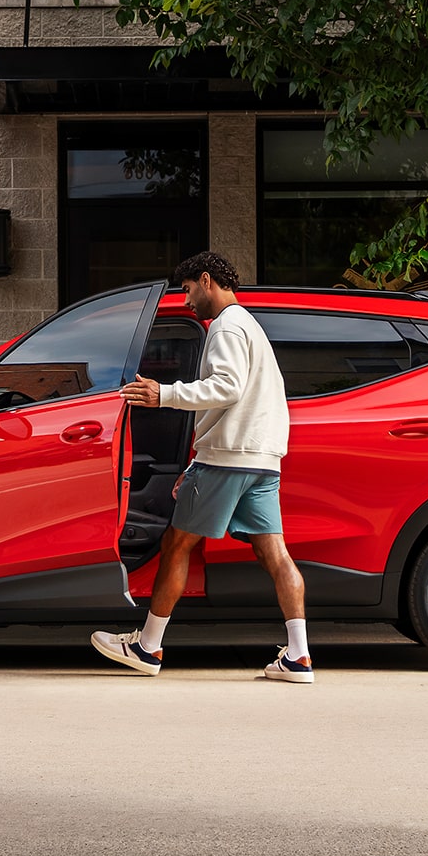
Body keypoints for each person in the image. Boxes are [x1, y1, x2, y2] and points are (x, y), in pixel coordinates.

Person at [90, 251, 312, 683]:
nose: (188, 301)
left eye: (189, 290)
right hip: (263, 460)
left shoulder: (227, 326)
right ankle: (298, 657)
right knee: (275, 554)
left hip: (227, 458)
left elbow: (226, 388)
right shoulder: (250, 325)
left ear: (206, 280)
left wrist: (164, 394)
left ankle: (148, 646)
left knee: (175, 544)